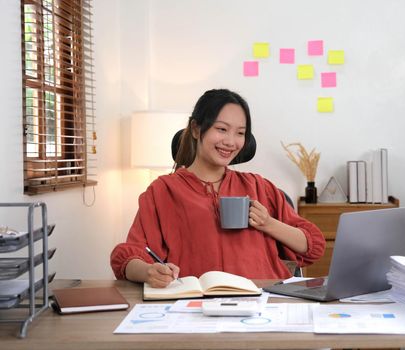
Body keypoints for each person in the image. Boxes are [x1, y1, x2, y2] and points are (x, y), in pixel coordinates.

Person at [110, 89, 325, 288]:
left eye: (240, 133)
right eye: (221, 129)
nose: (231, 142)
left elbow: (312, 245)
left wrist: (268, 223)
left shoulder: (260, 186)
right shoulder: (162, 191)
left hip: (264, 302)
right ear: (196, 129)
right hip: (194, 306)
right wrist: (148, 271)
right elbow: (128, 257)